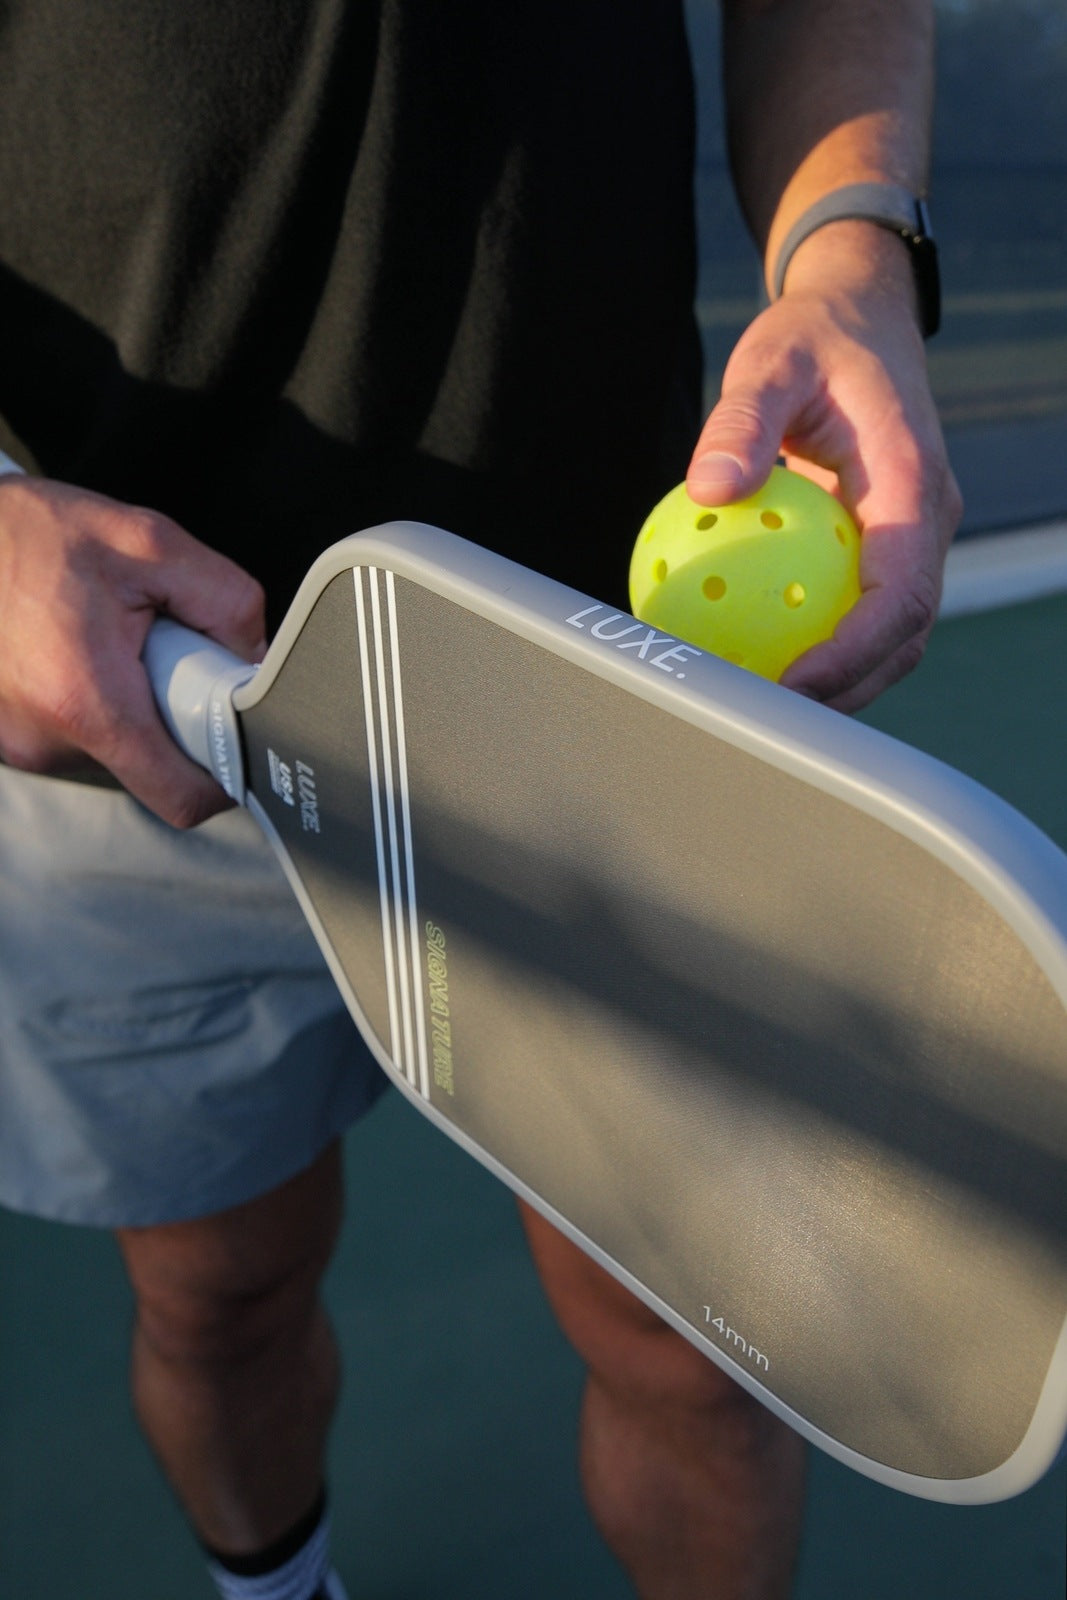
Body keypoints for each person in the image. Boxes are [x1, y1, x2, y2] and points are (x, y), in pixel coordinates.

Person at [0, 2, 960, 1597]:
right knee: (217, 1301)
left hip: (597, 700)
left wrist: (851, 246)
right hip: (135, 709)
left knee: (699, 1364)